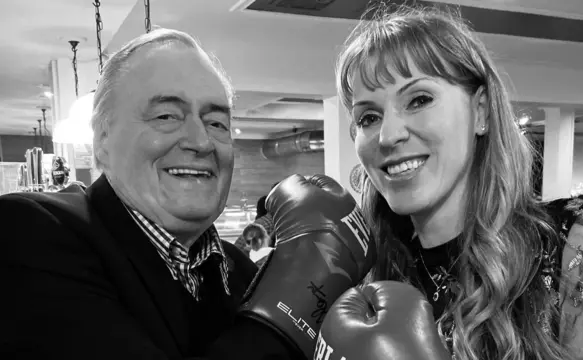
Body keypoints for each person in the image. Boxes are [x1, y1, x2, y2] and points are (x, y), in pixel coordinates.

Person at [0, 28, 373, 360]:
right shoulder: (30, 232)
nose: (200, 141)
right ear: (102, 142)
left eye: (216, 123)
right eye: (166, 116)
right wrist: (286, 314)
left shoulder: (241, 272)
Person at [315, 5, 583, 360]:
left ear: (481, 111)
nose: (388, 135)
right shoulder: (373, 277)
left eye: (419, 99)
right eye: (369, 117)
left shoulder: (575, 244)